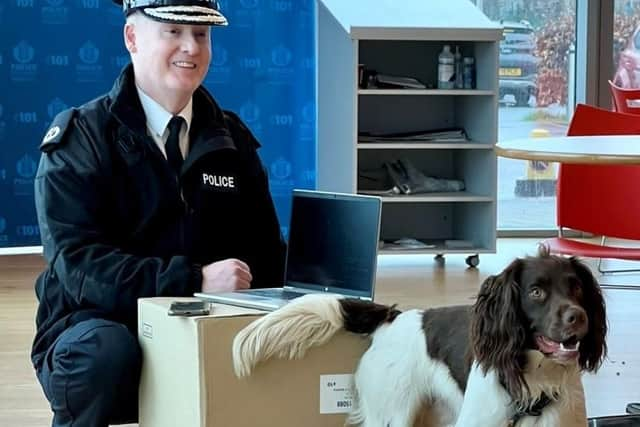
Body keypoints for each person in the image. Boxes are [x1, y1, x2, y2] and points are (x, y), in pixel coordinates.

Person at [31, 1, 286, 426]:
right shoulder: (81, 139)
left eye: (201, 35)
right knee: (102, 353)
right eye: (173, 32)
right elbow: (79, 267)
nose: (190, 47)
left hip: (207, 323)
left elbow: (264, 254)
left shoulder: (232, 140)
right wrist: (193, 279)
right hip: (102, 324)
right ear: (132, 38)